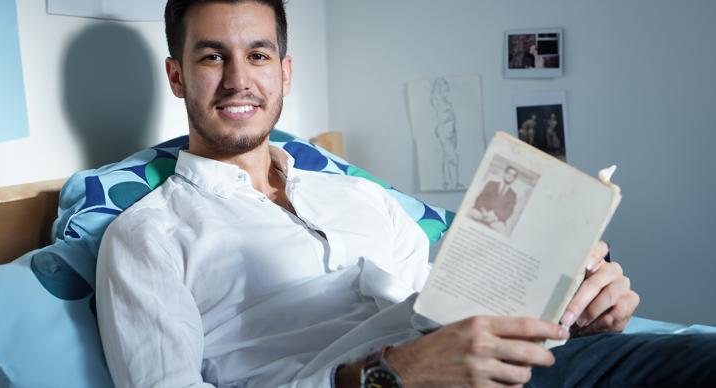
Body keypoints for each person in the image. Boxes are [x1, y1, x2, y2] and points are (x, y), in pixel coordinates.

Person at [96, 1, 716, 387]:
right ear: (177, 76)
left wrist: (575, 325)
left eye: (258, 54)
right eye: (212, 57)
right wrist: (390, 376)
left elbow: (452, 314)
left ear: (285, 72)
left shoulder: (358, 196)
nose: (238, 79)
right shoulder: (145, 238)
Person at [469, 166, 518, 233]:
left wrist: (495, 216)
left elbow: (508, 211)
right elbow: (480, 198)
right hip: (481, 213)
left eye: (513, 175)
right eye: (508, 173)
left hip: (496, 220)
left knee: (502, 229)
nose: (510, 176)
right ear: (504, 173)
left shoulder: (513, 195)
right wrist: (483, 210)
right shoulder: (491, 184)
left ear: (514, 179)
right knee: (471, 212)